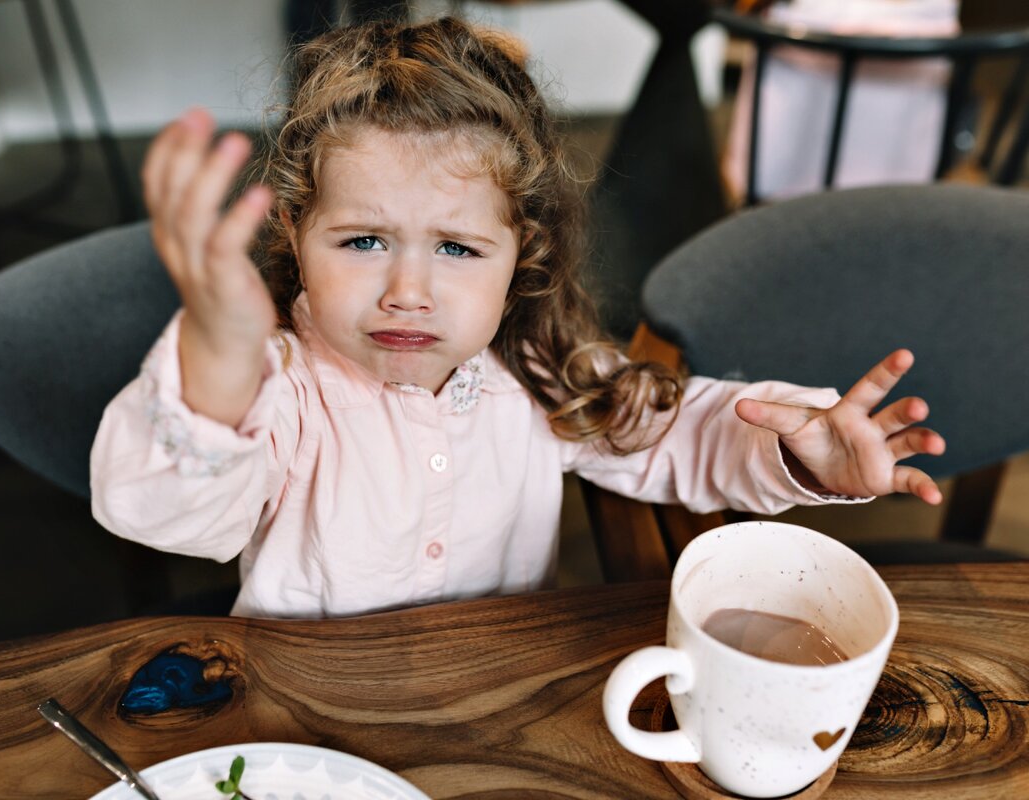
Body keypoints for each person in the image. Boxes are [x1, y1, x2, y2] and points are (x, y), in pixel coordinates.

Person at [91, 16, 944, 619]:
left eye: (457, 248)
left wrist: (797, 448)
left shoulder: (539, 366)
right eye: (363, 241)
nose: (408, 292)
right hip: (304, 735)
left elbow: (679, 433)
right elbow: (155, 511)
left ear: (521, 252)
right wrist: (218, 360)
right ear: (294, 233)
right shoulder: (275, 389)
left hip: (498, 715)